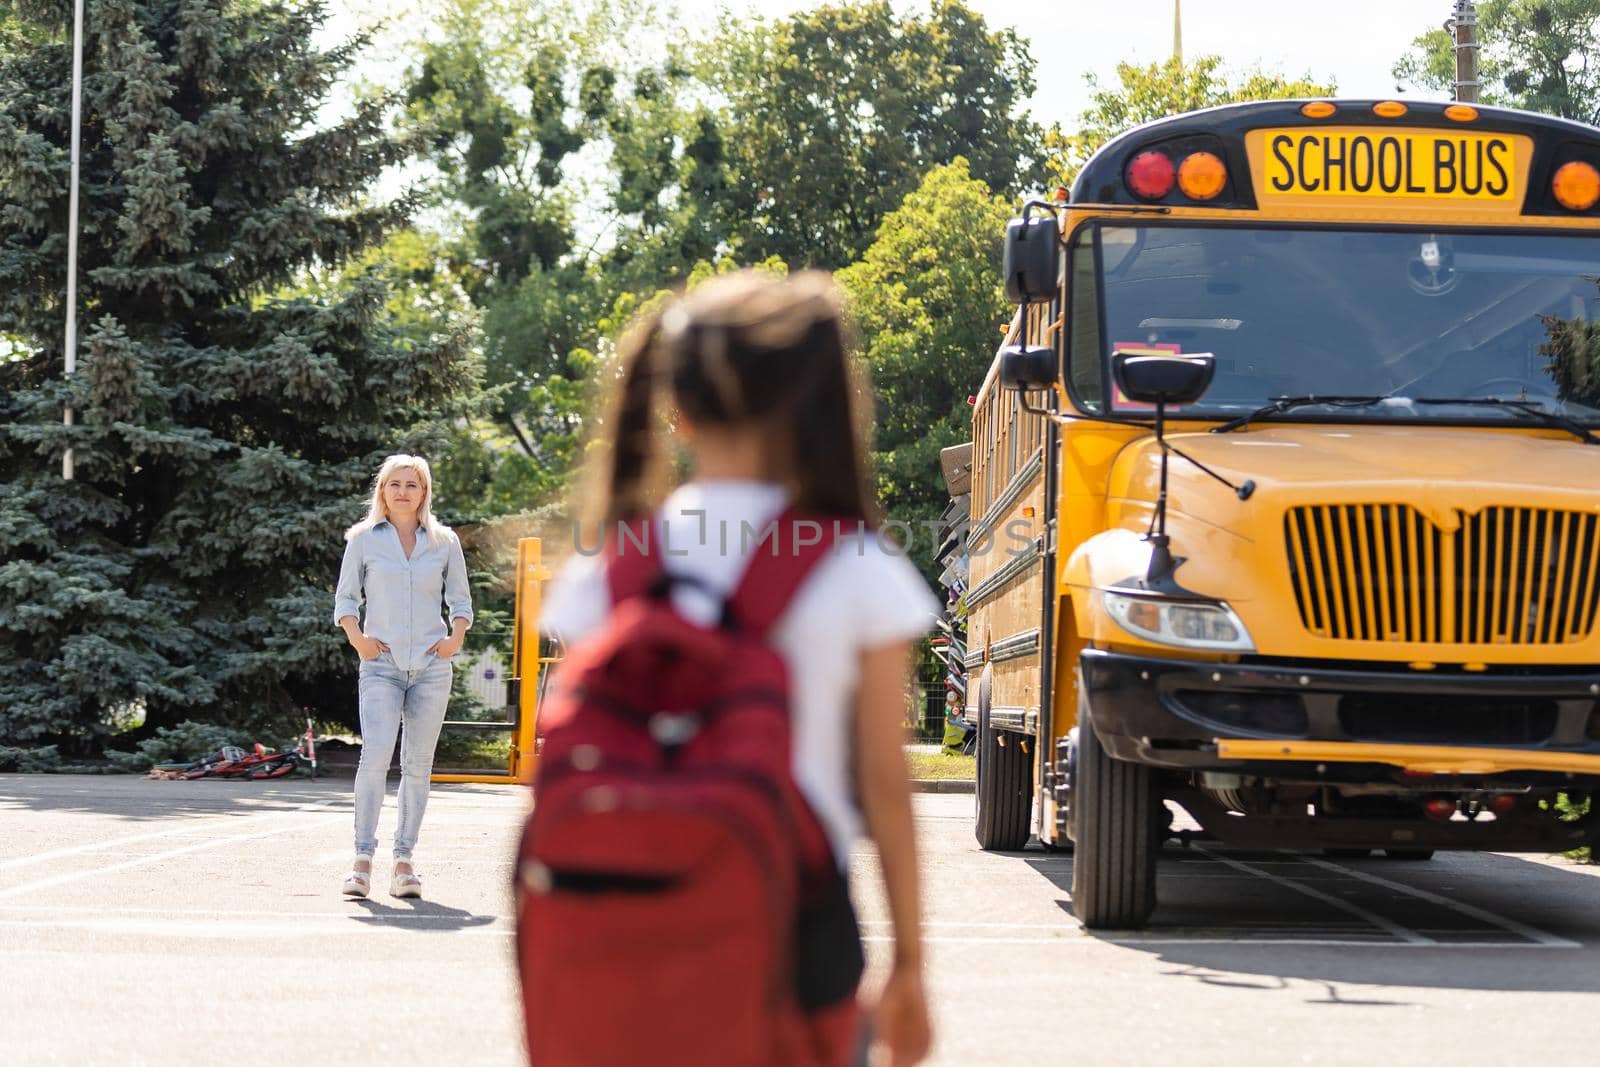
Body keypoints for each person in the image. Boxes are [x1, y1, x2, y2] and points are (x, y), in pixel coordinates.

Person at [540, 270, 936, 1067]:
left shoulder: (610, 568)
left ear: (675, 408)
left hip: (619, 919)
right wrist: (912, 969)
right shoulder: (855, 566)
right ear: (810, 407)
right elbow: (885, 785)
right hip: (796, 929)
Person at [333, 453, 472, 900]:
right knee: (375, 757)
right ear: (383, 490)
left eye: (412, 485)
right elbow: (346, 600)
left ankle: (405, 861)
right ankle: (361, 861)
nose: (403, 492)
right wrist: (359, 639)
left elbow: (462, 601)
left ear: (424, 492)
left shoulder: (444, 541)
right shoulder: (363, 540)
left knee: (418, 764)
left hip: (432, 668)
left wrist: (455, 638)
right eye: (395, 484)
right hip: (381, 666)